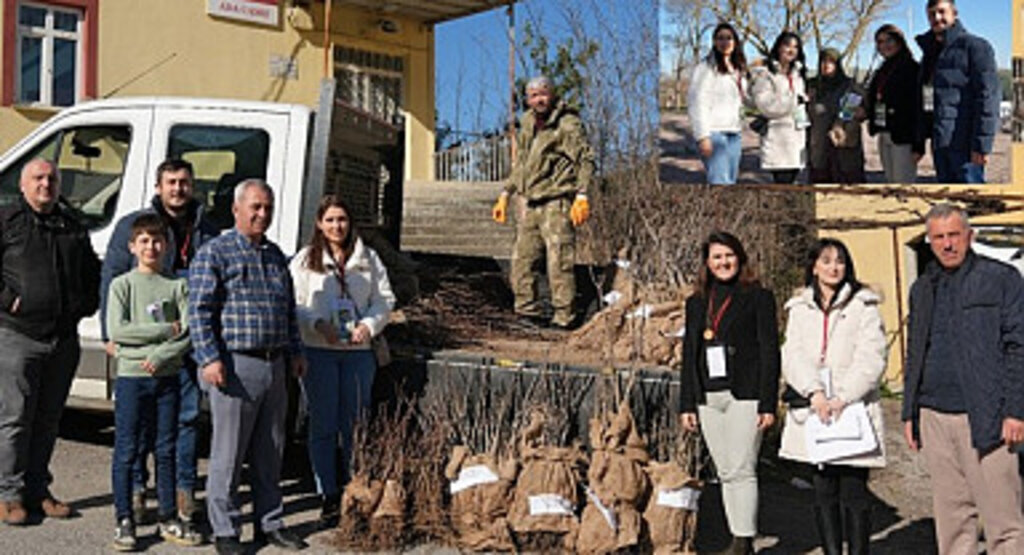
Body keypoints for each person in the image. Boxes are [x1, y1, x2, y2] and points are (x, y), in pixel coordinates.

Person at [188, 179, 307, 554]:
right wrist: (209, 358)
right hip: (234, 366)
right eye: (255, 207)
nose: (262, 214)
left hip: (275, 366)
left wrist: (297, 351)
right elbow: (199, 310)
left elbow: (289, 311)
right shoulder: (215, 253)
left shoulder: (275, 256)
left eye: (267, 208)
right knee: (228, 453)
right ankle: (225, 530)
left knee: (271, 451)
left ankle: (269, 523)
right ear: (237, 209)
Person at [99, 158, 215, 542]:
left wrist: (194, 339)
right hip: (141, 355)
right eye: (171, 182)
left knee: (182, 425)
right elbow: (112, 278)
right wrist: (109, 335)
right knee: (133, 437)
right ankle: (133, 497)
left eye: (184, 182)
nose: (178, 189)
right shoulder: (134, 225)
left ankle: (181, 498)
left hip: (186, 346)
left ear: (192, 186)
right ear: (158, 185)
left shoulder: (207, 227)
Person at [902, 203, 1024, 554]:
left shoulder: (1001, 279)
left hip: (987, 414)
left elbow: (1019, 346)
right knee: (952, 518)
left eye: (954, 235)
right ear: (930, 241)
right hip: (934, 415)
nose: (947, 244)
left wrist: (1015, 410)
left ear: (969, 237)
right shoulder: (923, 286)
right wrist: (910, 410)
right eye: (939, 237)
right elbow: (915, 350)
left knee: (1003, 521)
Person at [0, 158, 101, 525]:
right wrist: (7, 299)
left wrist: (84, 305)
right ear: (23, 186)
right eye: (38, 178)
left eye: (52, 178)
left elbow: (93, 272)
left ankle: (37, 490)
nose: (46, 184)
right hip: (17, 335)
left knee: (48, 420)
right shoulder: (8, 221)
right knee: (14, 419)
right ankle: (8, 494)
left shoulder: (71, 225)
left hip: (63, 338)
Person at [289, 195, 394, 529]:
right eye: (330, 220)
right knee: (322, 424)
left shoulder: (369, 259)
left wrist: (369, 325)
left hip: (357, 355)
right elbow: (293, 304)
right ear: (320, 223)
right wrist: (317, 324)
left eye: (342, 220)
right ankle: (328, 493)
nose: (337, 226)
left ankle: (353, 489)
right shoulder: (305, 260)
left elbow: (384, 300)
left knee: (354, 424)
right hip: (319, 351)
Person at [778, 239, 887, 555]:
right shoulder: (799, 308)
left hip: (852, 407)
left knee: (854, 490)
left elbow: (872, 355)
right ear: (814, 266)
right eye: (826, 260)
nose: (833, 267)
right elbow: (793, 353)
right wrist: (814, 392)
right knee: (823, 491)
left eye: (840, 261)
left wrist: (844, 396)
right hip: (815, 408)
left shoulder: (863, 304)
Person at [680, 231, 780, 554]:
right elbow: (689, 352)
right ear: (707, 263)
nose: (723, 262)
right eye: (716, 257)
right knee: (725, 471)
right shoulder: (696, 302)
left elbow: (769, 352)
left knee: (742, 468)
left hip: (745, 394)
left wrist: (768, 402)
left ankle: (742, 540)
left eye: (729, 256)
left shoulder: (759, 297)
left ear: (739, 257)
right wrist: (688, 403)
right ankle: (738, 536)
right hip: (708, 397)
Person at [106, 214, 194, 551]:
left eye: (157, 240)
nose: (151, 247)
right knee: (128, 449)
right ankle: (124, 518)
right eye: (143, 240)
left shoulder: (177, 286)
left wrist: (159, 356)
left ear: (167, 245)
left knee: (166, 448)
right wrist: (162, 330)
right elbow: (119, 331)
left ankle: (169, 515)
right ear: (132, 246)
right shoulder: (122, 286)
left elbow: (185, 333)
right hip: (131, 378)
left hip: (167, 377)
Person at [491, 75, 595, 329]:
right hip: (532, 202)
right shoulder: (527, 123)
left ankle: (564, 317)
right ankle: (528, 312)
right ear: (527, 100)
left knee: (559, 261)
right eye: (533, 95)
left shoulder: (567, 124)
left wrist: (582, 194)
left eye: (543, 94)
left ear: (552, 94)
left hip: (557, 201)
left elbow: (586, 160)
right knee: (522, 259)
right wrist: (506, 193)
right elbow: (523, 164)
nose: (539, 99)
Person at [916, 0, 1000, 183]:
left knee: (972, 201)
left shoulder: (976, 47)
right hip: (940, 144)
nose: (936, 18)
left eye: (941, 12)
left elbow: (988, 98)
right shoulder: (930, 55)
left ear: (954, 13)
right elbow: (925, 100)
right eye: (931, 14)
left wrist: (981, 146)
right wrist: (920, 140)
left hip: (966, 147)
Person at [687, 22, 748, 185]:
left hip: (734, 133)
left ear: (735, 42)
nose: (725, 42)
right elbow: (696, 102)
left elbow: (743, 98)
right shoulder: (705, 68)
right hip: (714, 133)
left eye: (729, 38)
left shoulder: (738, 69)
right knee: (720, 182)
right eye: (720, 38)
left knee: (731, 181)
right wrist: (702, 136)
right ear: (714, 42)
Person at [865, 24, 923, 183]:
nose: (884, 45)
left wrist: (919, 145)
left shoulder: (912, 69)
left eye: (889, 40)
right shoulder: (882, 70)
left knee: (902, 184)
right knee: (891, 182)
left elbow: (919, 109)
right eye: (880, 42)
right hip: (884, 132)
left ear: (899, 41)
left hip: (904, 137)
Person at [750, 31, 809, 184]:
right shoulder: (766, 74)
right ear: (778, 47)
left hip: (797, 138)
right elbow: (766, 105)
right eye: (787, 45)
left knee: (792, 181)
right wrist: (795, 100)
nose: (791, 50)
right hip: (778, 139)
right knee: (782, 182)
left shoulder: (798, 74)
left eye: (796, 47)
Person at [806, 48, 866, 184]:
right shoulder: (812, 86)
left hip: (845, 145)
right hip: (819, 146)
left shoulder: (850, 86)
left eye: (831, 61)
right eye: (823, 61)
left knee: (848, 190)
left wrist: (861, 113)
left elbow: (860, 111)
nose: (826, 65)